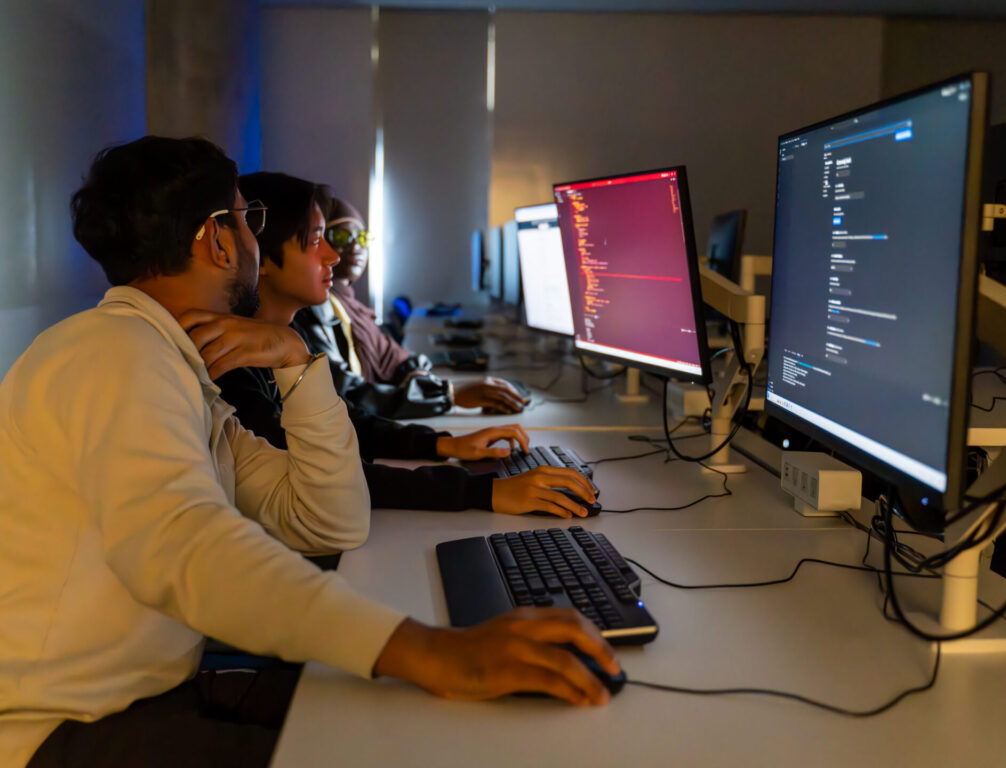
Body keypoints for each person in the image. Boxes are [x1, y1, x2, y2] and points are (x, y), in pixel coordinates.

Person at [0, 137, 619, 768]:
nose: (253, 238)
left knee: (423, 726)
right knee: (415, 746)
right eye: (249, 220)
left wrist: (299, 365)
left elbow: (330, 520)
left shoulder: (171, 368)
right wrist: (430, 651)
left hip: (140, 699)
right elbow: (189, 548)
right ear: (216, 239)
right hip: (61, 732)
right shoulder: (116, 357)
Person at [217, 171, 595, 519]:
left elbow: (346, 420)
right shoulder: (235, 369)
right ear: (261, 256)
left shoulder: (275, 347)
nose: (332, 254)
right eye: (316, 240)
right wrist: (483, 491)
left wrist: (443, 445)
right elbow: (327, 475)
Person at [294, 195, 528, 417]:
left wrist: (424, 380)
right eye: (341, 238)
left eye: (362, 237)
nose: (356, 246)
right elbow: (349, 396)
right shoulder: (317, 310)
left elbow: (396, 358)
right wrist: (449, 395)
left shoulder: (352, 307)